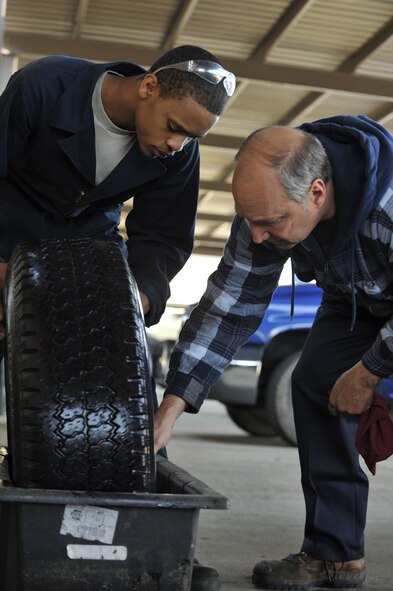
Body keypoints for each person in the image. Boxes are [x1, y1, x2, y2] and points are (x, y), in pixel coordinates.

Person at [0, 44, 236, 591]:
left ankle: (152, 545)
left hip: (89, 259)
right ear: (148, 86)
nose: (177, 145)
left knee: (127, 395)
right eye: (175, 127)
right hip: (9, 245)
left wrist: (136, 299)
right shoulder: (45, 86)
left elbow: (160, 239)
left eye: (191, 138)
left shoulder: (178, 150)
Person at [154, 115, 393, 589]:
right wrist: (172, 405)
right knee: (314, 383)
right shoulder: (265, 213)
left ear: (318, 193)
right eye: (250, 220)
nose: (257, 235)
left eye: (270, 222)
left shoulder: (388, 205)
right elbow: (229, 306)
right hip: (357, 297)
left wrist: (368, 372)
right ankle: (335, 555)